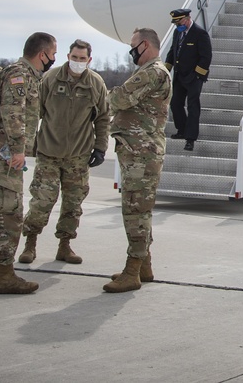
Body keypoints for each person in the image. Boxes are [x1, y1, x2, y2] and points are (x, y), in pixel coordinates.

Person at [0, 32, 56, 295]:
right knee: (9, 213)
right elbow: (13, 111)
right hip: (5, 153)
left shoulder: (26, 74)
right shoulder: (19, 74)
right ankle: (5, 275)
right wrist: (19, 149)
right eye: (53, 53)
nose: (53, 58)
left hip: (1, 151)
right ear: (42, 53)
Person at [18, 39, 109, 266]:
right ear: (67, 56)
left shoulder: (95, 83)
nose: (78, 62)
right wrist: (25, 143)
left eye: (82, 59)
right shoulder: (50, 79)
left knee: (73, 203)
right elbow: (34, 113)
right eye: (74, 57)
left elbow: (103, 118)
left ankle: (65, 245)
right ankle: (30, 242)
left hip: (78, 155)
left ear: (89, 60)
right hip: (49, 152)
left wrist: (100, 148)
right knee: (42, 200)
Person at [103, 27, 172, 293]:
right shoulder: (151, 71)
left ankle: (132, 271)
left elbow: (120, 98)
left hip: (140, 154)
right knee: (138, 209)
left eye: (134, 45)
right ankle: (144, 265)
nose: (131, 50)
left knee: (135, 211)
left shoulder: (152, 72)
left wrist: (103, 95)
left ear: (145, 45)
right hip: (138, 151)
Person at [164, 8, 212, 152]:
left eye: (179, 22)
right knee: (175, 103)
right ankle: (182, 130)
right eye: (175, 23)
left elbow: (206, 57)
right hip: (179, 76)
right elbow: (173, 51)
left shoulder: (199, 33)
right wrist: (167, 69)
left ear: (187, 19)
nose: (177, 25)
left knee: (192, 107)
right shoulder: (177, 32)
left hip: (194, 77)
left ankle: (190, 139)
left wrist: (197, 75)